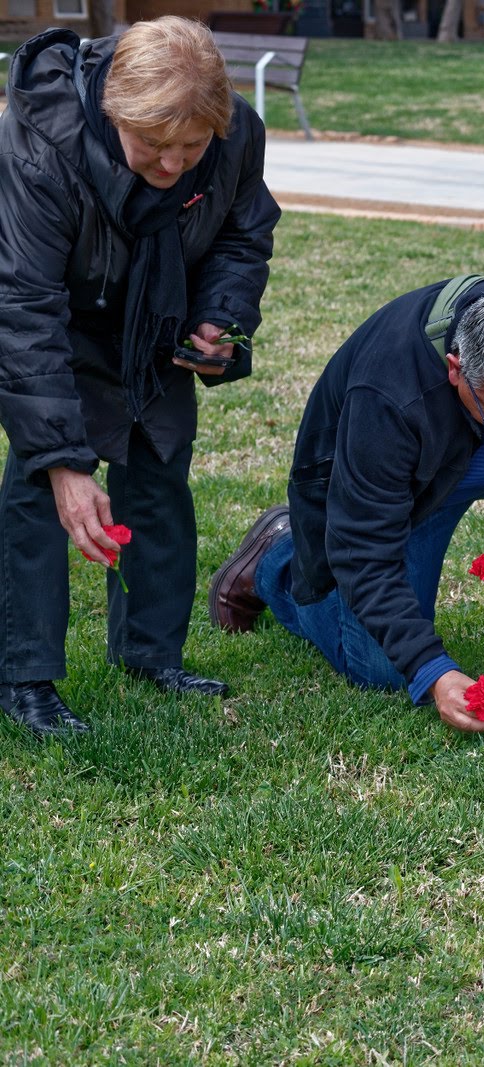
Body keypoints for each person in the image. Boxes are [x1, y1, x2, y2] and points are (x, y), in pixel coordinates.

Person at [208, 279, 484, 733]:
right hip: (403, 484)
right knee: (382, 669)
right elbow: (365, 551)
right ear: (455, 368)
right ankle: (276, 558)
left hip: (468, 456)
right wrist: (433, 672)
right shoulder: (387, 391)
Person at [0, 18, 280, 738]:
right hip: (54, 311)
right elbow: (23, 304)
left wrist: (220, 314)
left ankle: (151, 652)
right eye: (153, 146)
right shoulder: (42, 142)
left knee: (158, 472)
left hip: (156, 312)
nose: (174, 163)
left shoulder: (234, 132)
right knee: (42, 487)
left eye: (191, 148)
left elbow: (244, 233)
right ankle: (24, 676)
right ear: (114, 111)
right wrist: (65, 460)